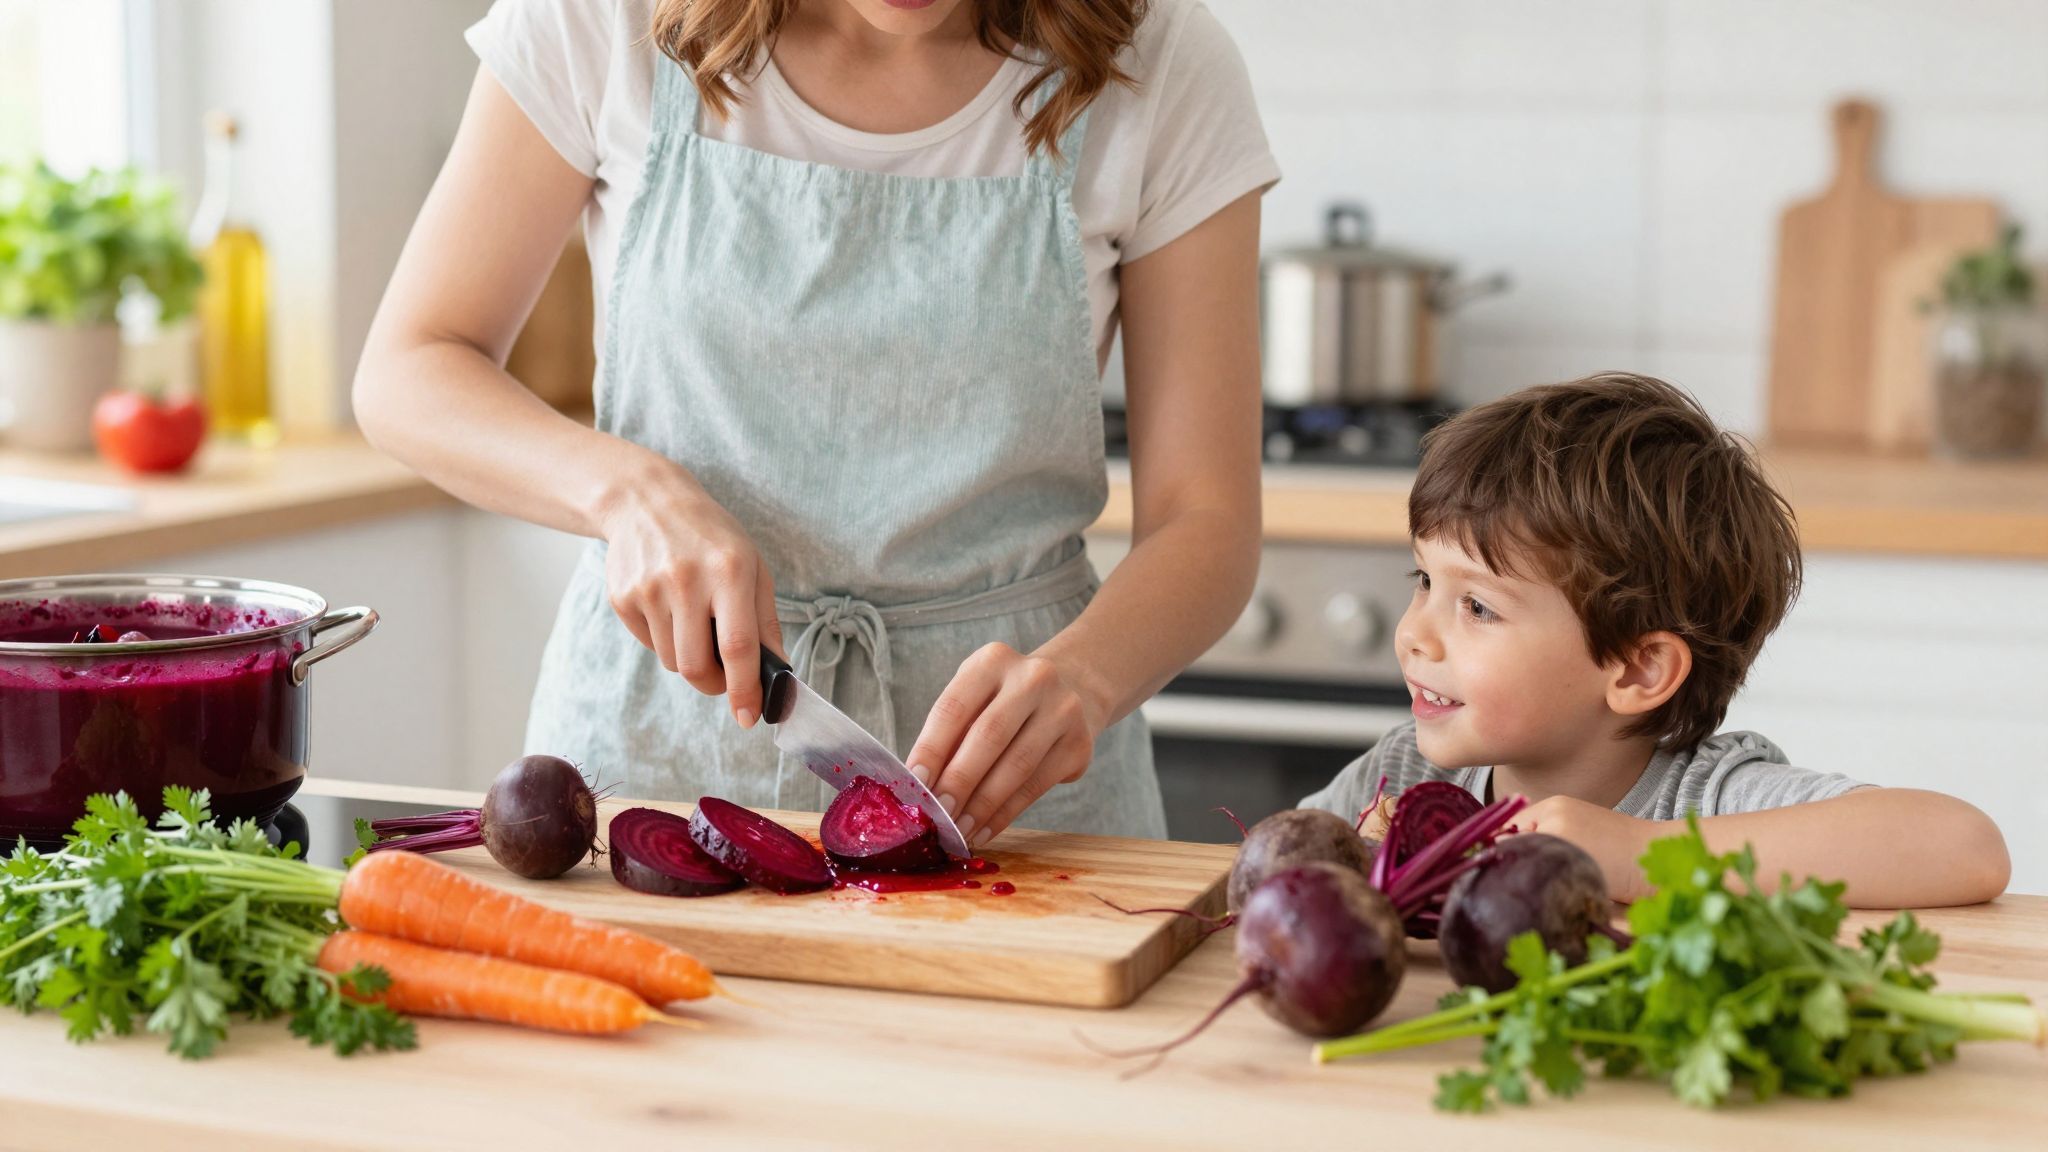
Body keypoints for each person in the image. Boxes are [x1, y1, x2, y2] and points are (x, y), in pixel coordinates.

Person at [352, 0, 1274, 846]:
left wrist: (1086, 677)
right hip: (650, 768)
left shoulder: (1161, 64)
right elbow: (411, 367)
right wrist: (628, 494)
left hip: (1019, 807)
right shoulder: (606, 19)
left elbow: (1208, 518)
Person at [1302, 373, 2010, 907]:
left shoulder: (1703, 800)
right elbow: (1260, 881)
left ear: (1639, 670)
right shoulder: (1401, 779)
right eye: (1423, 581)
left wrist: (1639, 855)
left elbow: (1966, 847)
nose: (1414, 633)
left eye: (1478, 608)